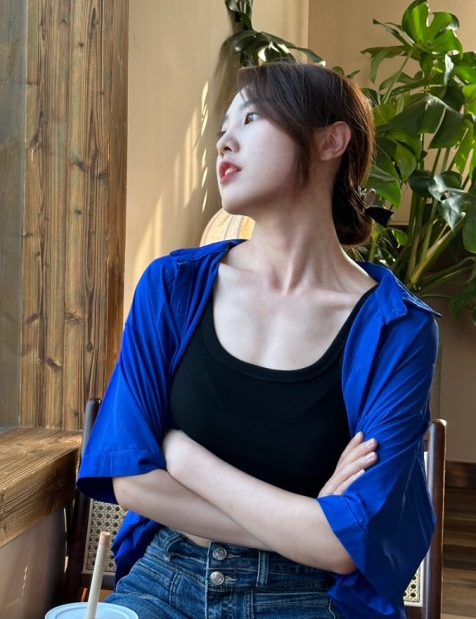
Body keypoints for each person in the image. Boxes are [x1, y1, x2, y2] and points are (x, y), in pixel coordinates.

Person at [77, 62, 439, 619]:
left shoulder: (398, 328)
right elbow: (133, 484)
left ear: (331, 142)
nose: (224, 141)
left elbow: (346, 547)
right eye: (223, 127)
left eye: (251, 118)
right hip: (163, 582)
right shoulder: (172, 287)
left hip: (307, 597)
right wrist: (308, 521)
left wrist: (181, 456)